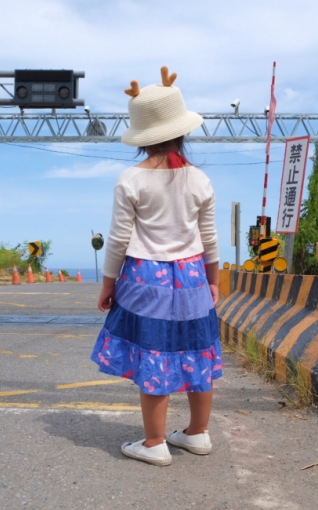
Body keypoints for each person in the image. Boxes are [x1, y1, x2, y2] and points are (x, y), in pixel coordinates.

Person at [92, 66, 222, 466]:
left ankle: (154, 443)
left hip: (146, 276)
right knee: (196, 350)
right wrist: (213, 281)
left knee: (155, 353)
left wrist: (108, 284)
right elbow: (209, 238)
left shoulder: (130, 179)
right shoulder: (199, 179)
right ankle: (197, 433)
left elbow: (118, 239)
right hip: (193, 275)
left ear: (142, 136)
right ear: (181, 130)